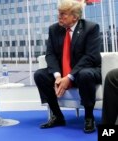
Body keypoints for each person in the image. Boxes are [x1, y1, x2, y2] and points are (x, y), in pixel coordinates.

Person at [34, 0, 101, 134]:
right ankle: (58, 116)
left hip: (85, 70)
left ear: (75, 17)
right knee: (39, 75)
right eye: (59, 13)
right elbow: (50, 54)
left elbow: (89, 57)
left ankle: (89, 117)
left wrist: (70, 77)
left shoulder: (91, 28)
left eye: (63, 14)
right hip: (62, 72)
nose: (59, 16)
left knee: (85, 74)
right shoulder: (54, 29)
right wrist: (58, 76)